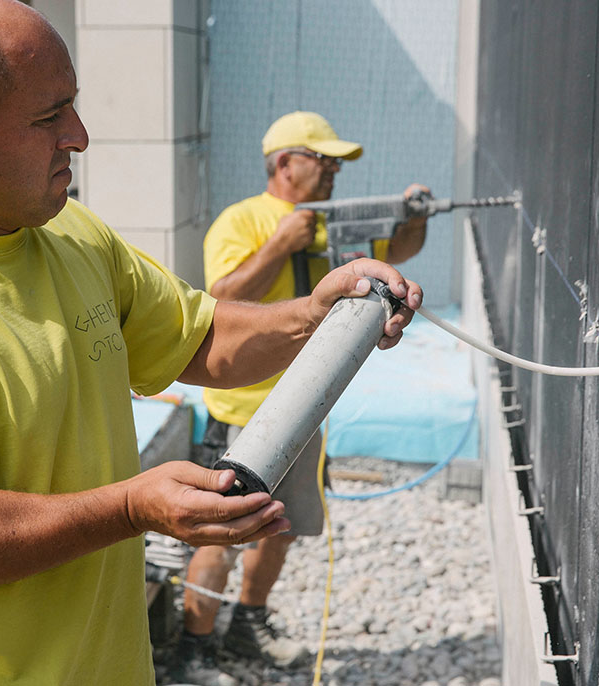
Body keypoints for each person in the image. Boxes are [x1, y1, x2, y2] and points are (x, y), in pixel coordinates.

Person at [0, 3, 423, 686]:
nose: (80, 136)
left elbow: (201, 337)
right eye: (48, 117)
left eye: (73, 107)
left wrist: (313, 314)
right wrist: (130, 506)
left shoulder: (67, 234)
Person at [173, 111, 429, 685]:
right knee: (220, 533)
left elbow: (399, 251)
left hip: (308, 408)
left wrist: (416, 217)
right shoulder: (241, 221)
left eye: (338, 162)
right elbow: (221, 300)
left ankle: (248, 622)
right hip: (243, 415)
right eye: (323, 160)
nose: (334, 171)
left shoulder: (328, 225)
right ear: (285, 163)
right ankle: (193, 649)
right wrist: (280, 243)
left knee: (278, 528)